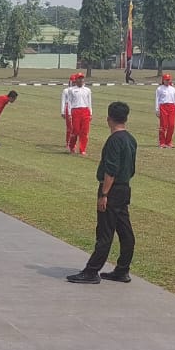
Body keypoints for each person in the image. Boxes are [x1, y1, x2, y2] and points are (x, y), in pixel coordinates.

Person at [67, 101, 136, 284]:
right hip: (125, 188)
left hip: (111, 189)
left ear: (109, 119)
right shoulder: (130, 139)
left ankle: (92, 271)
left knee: (105, 232)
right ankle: (122, 269)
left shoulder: (114, 140)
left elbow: (111, 170)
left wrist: (104, 194)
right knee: (125, 231)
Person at [65, 73, 93, 155]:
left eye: (82, 79)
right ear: (76, 80)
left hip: (85, 111)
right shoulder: (71, 90)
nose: (81, 80)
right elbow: (69, 102)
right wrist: (69, 113)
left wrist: (90, 113)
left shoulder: (87, 90)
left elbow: (89, 102)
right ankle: (72, 146)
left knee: (84, 132)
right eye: (79, 79)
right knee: (75, 130)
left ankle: (82, 149)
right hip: (76, 111)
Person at [155, 73, 175, 148]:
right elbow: (157, 100)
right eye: (166, 80)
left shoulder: (173, 89)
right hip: (163, 107)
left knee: (171, 125)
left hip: (172, 107)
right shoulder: (159, 89)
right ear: (163, 80)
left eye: (169, 80)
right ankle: (162, 142)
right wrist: (157, 110)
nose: (168, 81)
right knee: (163, 125)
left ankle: (169, 142)